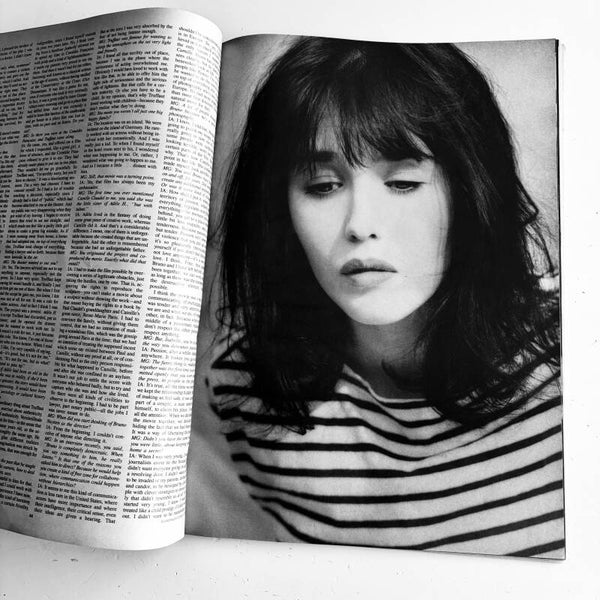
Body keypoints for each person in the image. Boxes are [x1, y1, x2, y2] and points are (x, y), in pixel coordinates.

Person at [206, 37, 563, 557]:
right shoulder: (244, 379)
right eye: (322, 186)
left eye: (402, 182)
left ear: (470, 190)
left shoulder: (569, 353)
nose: (360, 225)